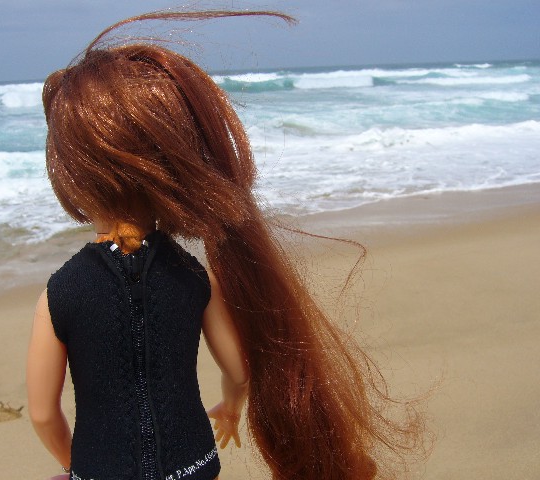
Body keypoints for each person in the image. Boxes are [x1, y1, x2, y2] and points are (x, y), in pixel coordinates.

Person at [27, 10, 426, 480]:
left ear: (74, 176)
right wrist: (231, 407)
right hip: (193, 465)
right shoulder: (192, 277)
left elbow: (43, 414)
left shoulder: (60, 292)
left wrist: (75, 465)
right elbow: (238, 371)